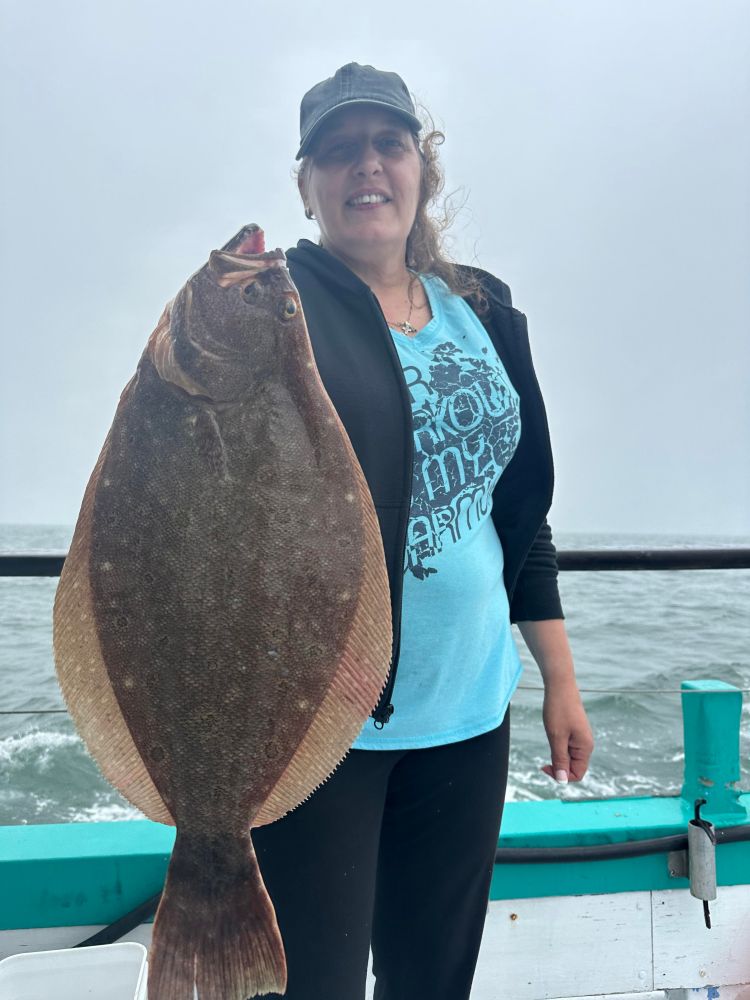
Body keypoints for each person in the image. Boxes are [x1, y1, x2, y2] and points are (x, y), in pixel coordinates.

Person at [252, 62, 594, 1000]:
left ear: (420, 167)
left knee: (433, 982)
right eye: (337, 150)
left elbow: (517, 511)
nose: (366, 167)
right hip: (320, 725)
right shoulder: (272, 313)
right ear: (309, 182)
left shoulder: (483, 308)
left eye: (387, 144)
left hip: (472, 710)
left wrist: (559, 679)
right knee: (312, 986)